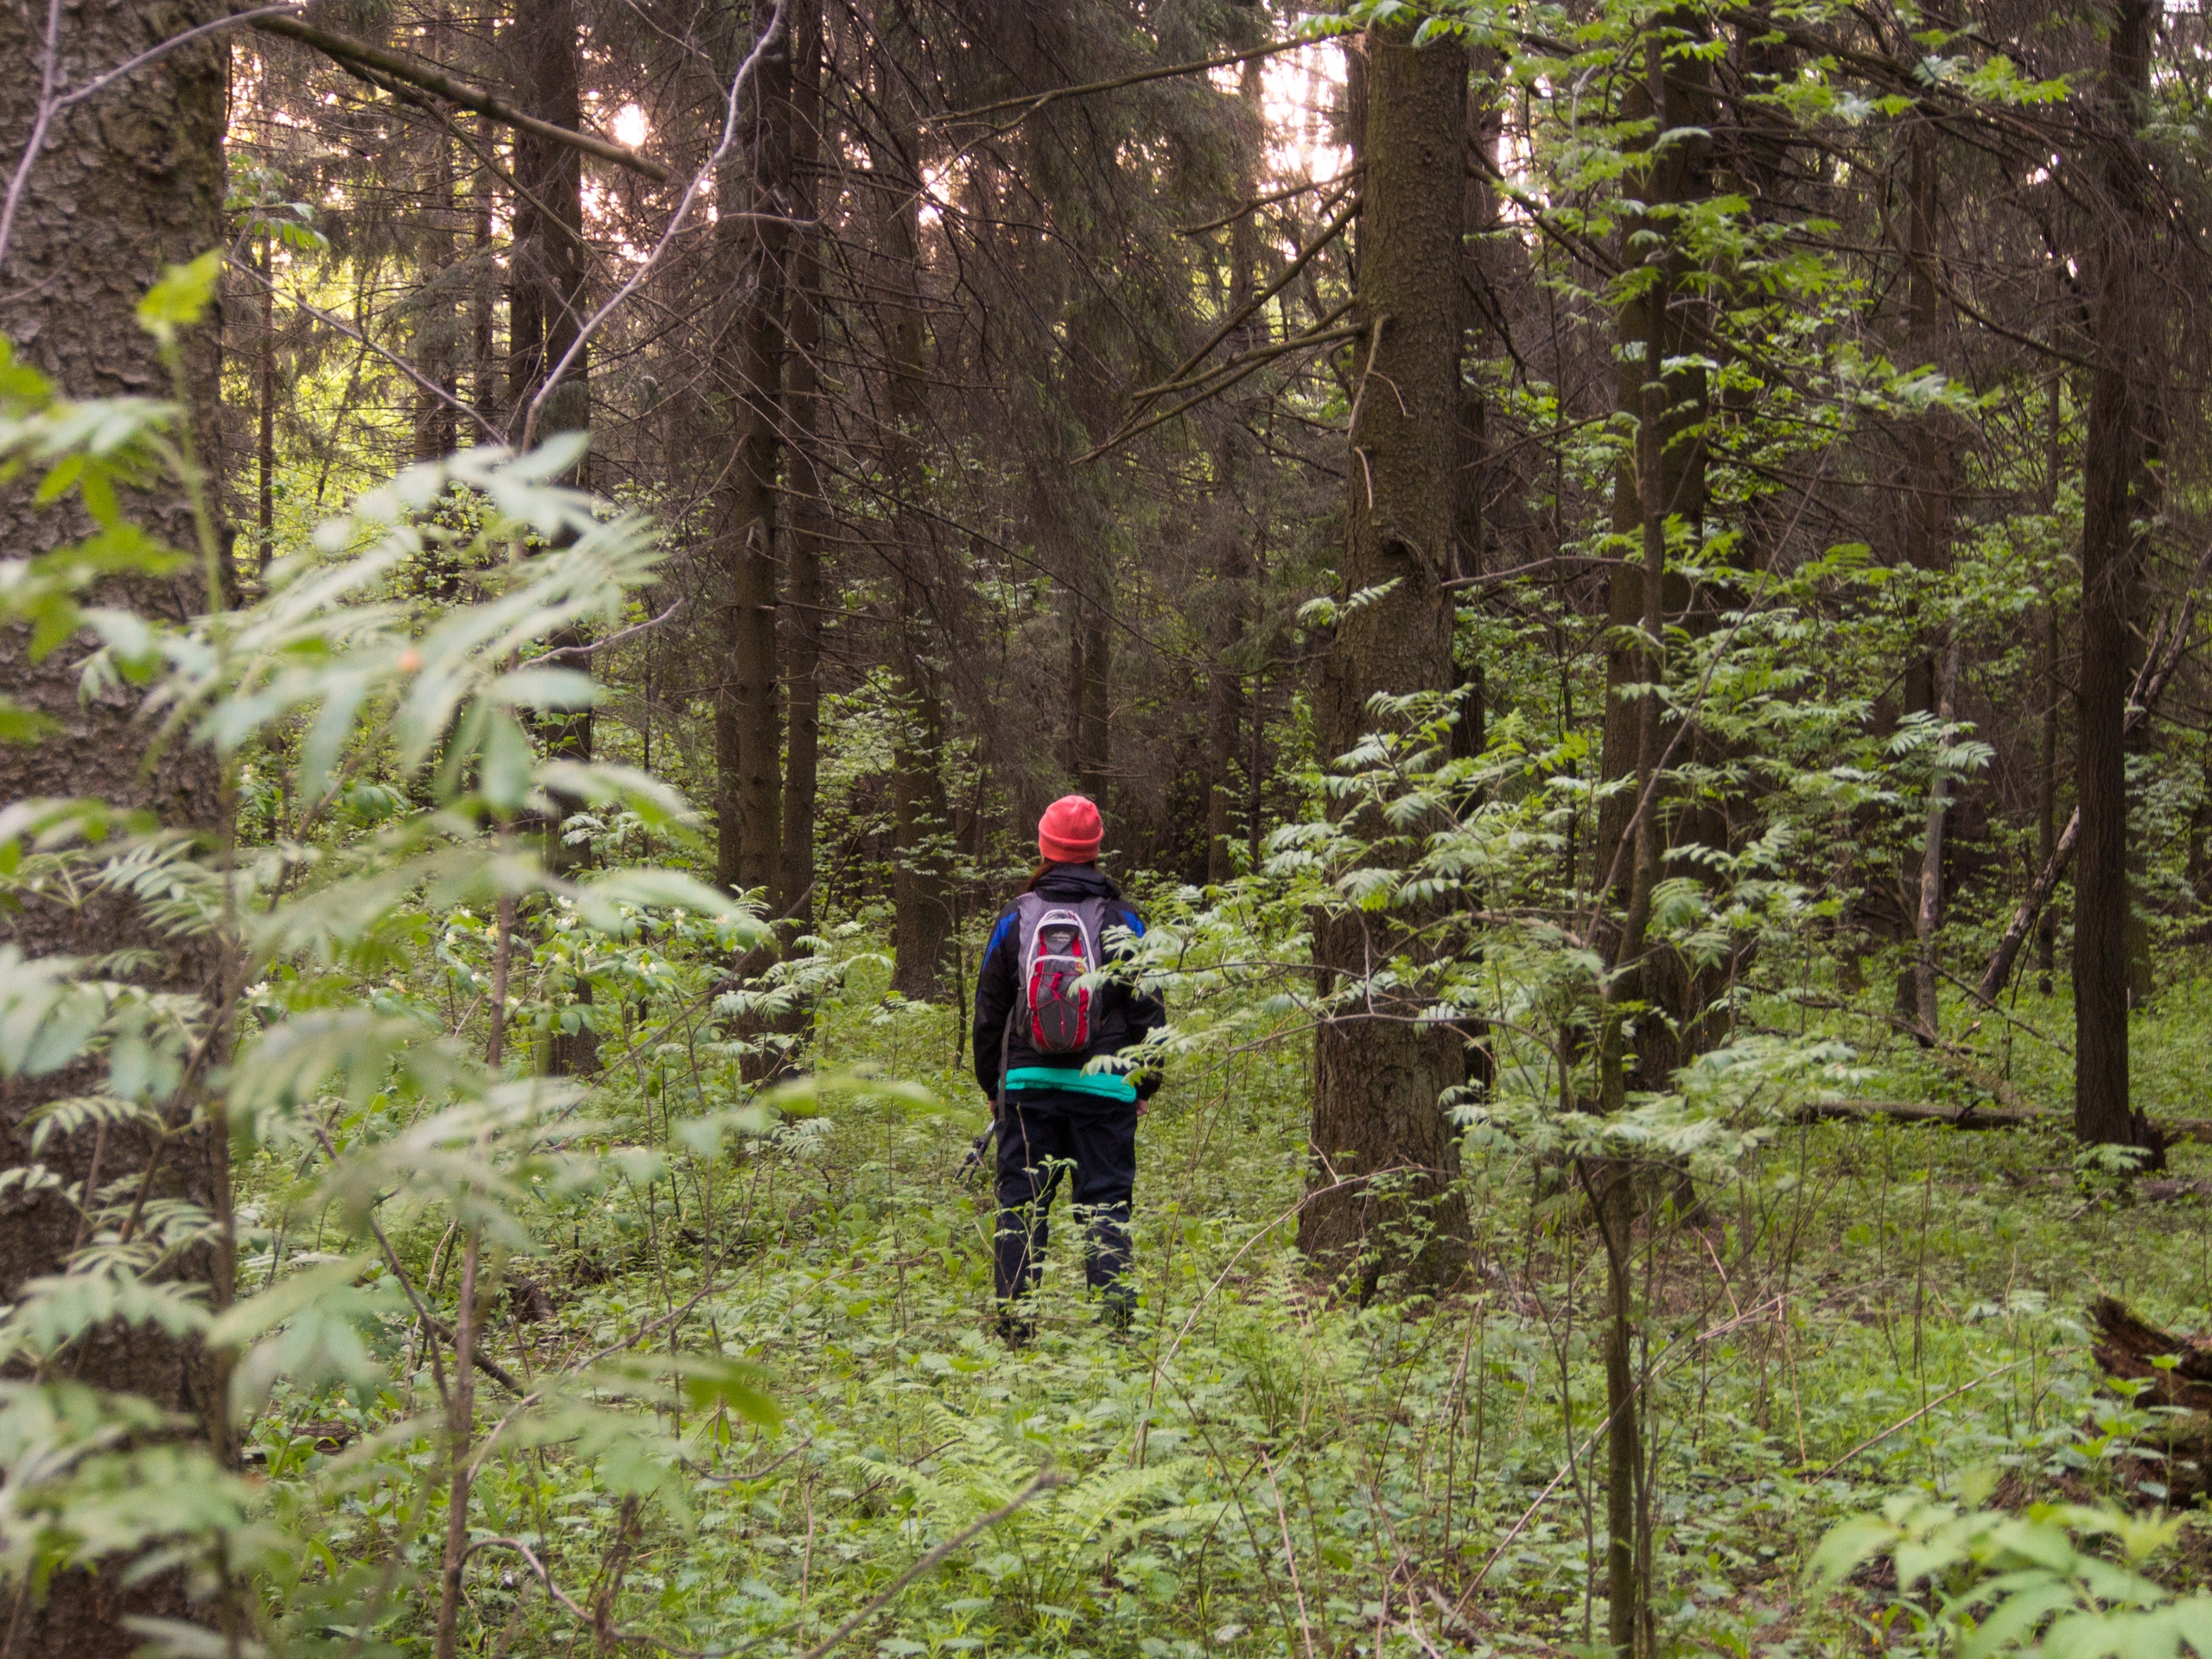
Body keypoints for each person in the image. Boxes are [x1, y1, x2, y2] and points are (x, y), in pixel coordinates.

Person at [972, 795, 1163, 1341]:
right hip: (1106, 1088)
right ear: (1096, 848)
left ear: (1045, 846)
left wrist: (995, 1086)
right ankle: (1118, 1336)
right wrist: (1143, 1083)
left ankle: (1014, 1334)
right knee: (1106, 1206)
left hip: (1027, 1088)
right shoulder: (1125, 920)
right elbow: (1148, 1009)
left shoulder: (1015, 918)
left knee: (1021, 1206)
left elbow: (989, 1013)